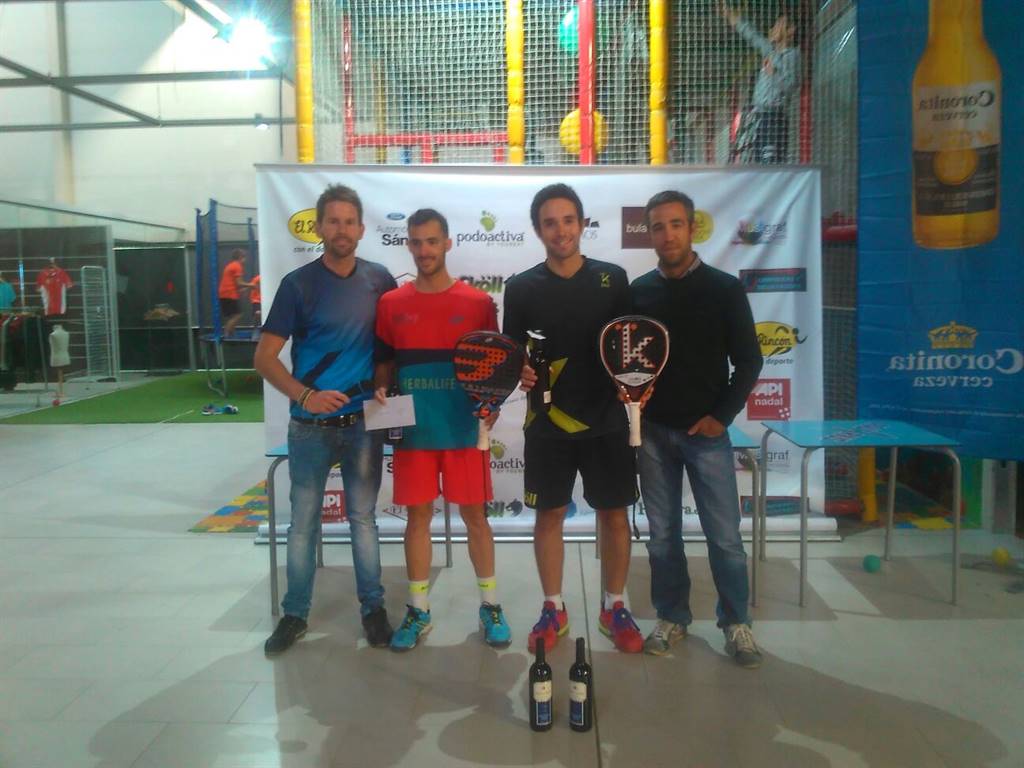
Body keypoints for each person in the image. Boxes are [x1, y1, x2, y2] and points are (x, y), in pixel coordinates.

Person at [255, 184, 397, 656]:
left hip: (362, 425)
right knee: (302, 526)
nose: (341, 229)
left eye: (349, 221)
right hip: (308, 428)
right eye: (333, 221)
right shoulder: (298, 285)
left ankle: (373, 610)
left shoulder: (380, 280)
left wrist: (385, 383)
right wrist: (305, 395)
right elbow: (264, 358)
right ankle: (294, 615)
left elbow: (389, 349)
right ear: (318, 227)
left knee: (363, 521)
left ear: (361, 228)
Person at [503, 183, 643, 655]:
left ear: (582, 224)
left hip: (607, 421)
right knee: (550, 515)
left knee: (614, 514)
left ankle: (614, 606)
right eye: (550, 222)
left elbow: (628, 347)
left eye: (568, 220)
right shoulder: (520, 287)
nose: (560, 230)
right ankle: (553, 607)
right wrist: (519, 370)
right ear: (538, 229)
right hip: (547, 425)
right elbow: (512, 355)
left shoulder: (613, 279)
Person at [630, 190, 764, 668]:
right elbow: (628, 360)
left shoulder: (724, 289)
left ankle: (736, 623)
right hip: (652, 434)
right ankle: (672, 616)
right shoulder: (638, 292)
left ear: (691, 228)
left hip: (707, 435)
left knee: (724, 537)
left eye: (676, 224)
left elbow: (749, 360)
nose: (667, 234)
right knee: (662, 535)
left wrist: (721, 417)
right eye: (658, 226)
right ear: (650, 233)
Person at [373, 208, 511, 652]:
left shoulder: (477, 303)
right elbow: (384, 362)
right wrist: (380, 387)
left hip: (463, 429)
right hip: (413, 432)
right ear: (408, 245)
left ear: (447, 243)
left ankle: (491, 606)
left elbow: (495, 365)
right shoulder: (390, 304)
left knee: (476, 518)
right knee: (417, 518)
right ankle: (418, 610)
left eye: (432, 241)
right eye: (416, 242)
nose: (424, 250)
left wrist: (493, 406)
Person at [720, 2, 801, 164]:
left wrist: (774, 74)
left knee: (770, 164)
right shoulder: (771, 52)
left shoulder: (792, 55)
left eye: (779, 24)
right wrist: (734, 19)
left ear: (791, 30)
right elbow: (754, 37)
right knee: (760, 165)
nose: (774, 28)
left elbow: (792, 85)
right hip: (761, 118)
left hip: (774, 118)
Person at [218, 249, 255, 337]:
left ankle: (231, 333)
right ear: (240, 257)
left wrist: (244, 289)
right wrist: (251, 285)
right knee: (237, 315)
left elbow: (234, 283)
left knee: (233, 315)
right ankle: (227, 334)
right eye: (244, 257)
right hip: (228, 294)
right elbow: (239, 283)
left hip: (225, 293)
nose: (245, 259)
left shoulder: (231, 265)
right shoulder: (237, 266)